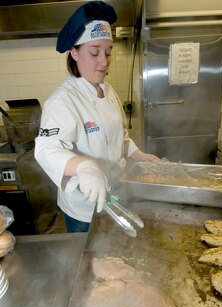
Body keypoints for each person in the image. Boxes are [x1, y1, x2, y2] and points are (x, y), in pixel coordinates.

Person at [34, 1, 159, 233]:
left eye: (108, 52)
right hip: (84, 208)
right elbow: (45, 149)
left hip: (117, 195)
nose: (104, 61)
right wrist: (84, 167)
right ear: (74, 52)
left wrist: (139, 154)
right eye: (94, 52)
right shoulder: (63, 101)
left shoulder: (109, 91)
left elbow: (118, 136)